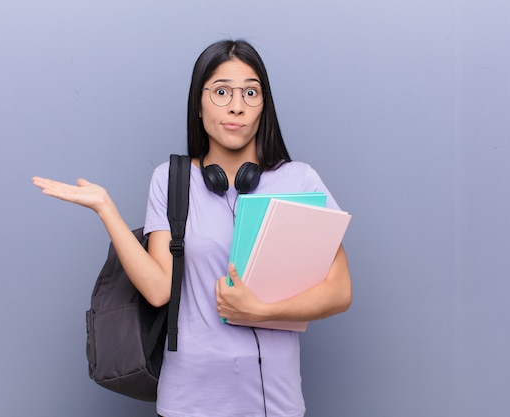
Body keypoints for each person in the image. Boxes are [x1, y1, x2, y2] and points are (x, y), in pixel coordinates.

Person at [33, 39, 351, 417]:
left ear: (264, 105)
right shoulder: (171, 179)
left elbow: (339, 291)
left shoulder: (300, 181)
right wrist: (107, 210)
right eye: (221, 92)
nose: (237, 105)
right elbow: (156, 290)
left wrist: (260, 311)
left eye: (251, 92)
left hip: (274, 402)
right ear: (198, 105)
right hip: (189, 401)